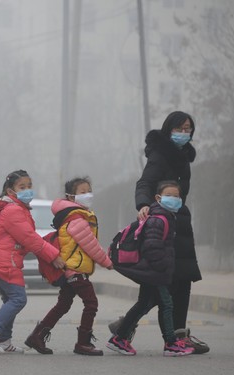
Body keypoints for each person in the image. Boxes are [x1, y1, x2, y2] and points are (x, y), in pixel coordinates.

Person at [108, 111, 208, 354]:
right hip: (163, 223)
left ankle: (175, 335)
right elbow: (144, 182)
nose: (184, 133)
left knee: (181, 281)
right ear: (168, 129)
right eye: (179, 128)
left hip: (179, 223)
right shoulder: (161, 155)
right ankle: (132, 331)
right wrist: (144, 204)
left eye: (188, 129)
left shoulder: (183, 157)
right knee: (158, 285)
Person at [0, 170, 65, 354]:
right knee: (18, 299)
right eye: (22, 187)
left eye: (29, 186)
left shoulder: (17, 209)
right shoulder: (13, 211)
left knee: (10, 299)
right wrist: (53, 255)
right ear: (10, 191)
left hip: (4, 260)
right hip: (5, 262)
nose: (27, 190)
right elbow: (30, 239)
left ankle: (4, 340)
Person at [25, 176, 113, 355]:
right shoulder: (77, 218)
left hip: (71, 269)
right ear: (71, 197)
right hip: (75, 269)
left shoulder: (77, 215)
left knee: (63, 305)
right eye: (83, 192)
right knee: (91, 303)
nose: (88, 195)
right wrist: (107, 262)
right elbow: (90, 245)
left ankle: (37, 336)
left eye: (89, 191)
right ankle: (83, 343)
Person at [106, 181, 194, 357]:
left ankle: (120, 338)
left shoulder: (166, 216)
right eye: (169, 195)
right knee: (166, 305)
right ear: (158, 198)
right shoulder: (158, 219)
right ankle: (170, 343)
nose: (174, 199)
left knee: (143, 304)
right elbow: (152, 247)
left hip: (153, 271)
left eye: (177, 196)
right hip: (155, 272)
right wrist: (162, 267)